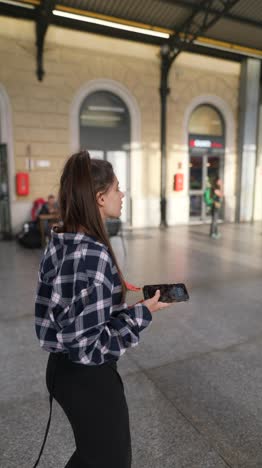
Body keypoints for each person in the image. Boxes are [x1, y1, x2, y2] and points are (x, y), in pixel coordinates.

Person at [34, 151, 170, 468]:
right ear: (99, 197)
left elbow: (79, 320)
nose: (122, 195)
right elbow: (89, 347)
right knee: (110, 459)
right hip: (86, 377)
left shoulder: (62, 239)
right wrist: (142, 316)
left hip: (61, 369)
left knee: (95, 455)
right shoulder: (92, 255)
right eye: (117, 188)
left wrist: (138, 310)